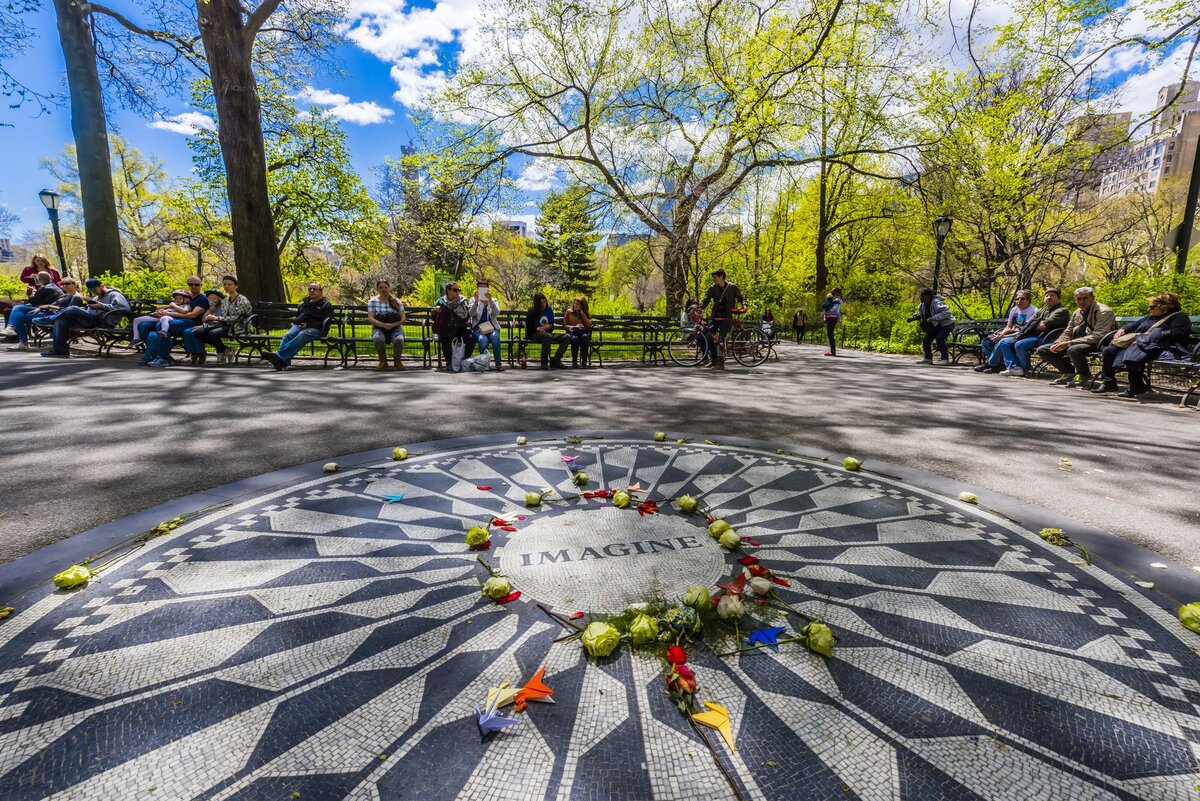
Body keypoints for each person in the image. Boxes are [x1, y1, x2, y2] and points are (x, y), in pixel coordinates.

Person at [1093, 292, 1191, 398]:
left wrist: (1145, 340)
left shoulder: (1179, 318)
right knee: (1109, 350)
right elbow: (1134, 325)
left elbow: (1176, 335)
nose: (1149, 309)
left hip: (1165, 348)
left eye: (1152, 307)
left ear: (1164, 307)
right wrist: (1123, 329)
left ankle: (1136, 386)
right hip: (1144, 345)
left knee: (1132, 353)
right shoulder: (1151, 317)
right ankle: (1109, 383)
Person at [1035, 286, 1116, 388]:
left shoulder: (1104, 311)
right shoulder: (1077, 312)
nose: (1082, 301)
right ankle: (1069, 373)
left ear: (1093, 298)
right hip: (1079, 341)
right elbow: (1068, 331)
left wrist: (1069, 343)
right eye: (1079, 299)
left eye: (1085, 298)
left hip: (1100, 343)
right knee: (1043, 350)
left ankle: (1084, 375)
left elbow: (1098, 336)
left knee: (1073, 349)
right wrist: (1058, 342)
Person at [41, 278, 130, 358]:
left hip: (104, 321)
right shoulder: (96, 297)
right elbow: (90, 313)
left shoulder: (114, 294)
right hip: (92, 320)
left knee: (73, 308)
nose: (94, 293)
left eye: (95, 290)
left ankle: (50, 319)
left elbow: (124, 308)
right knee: (61, 320)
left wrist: (101, 306)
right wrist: (90, 307)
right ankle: (60, 350)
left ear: (101, 286)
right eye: (92, 291)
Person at [995, 288, 1070, 376]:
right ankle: (1014, 367)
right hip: (1035, 335)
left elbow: (1042, 326)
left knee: (1020, 344)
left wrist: (1034, 325)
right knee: (1005, 342)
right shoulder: (1043, 310)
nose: (1049, 297)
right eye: (1047, 296)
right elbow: (1028, 323)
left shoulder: (1061, 310)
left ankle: (1024, 369)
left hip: (1049, 338)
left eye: (1052, 295)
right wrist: (1034, 325)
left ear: (1058, 298)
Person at [141, 276, 209, 367]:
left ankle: (162, 358)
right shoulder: (184, 296)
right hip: (174, 319)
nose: (193, 286)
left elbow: (192, 315)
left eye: (196, 284)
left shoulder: (202, 299)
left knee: (160, 324)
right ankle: (152, 354)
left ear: (201, 285)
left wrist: (168, 314)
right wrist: (162, 311)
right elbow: (171, 306)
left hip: (190, 322)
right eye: (190, 284)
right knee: (144, 326)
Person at [183, 276, 252, 366]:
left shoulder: (242, 300)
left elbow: (235, 318)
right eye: (225, 284)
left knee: (212, 333)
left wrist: (217, 318)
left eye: (230, 284)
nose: (227, 286)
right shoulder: (225, 301)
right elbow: (223, 316)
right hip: (224, 324)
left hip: (239, 326)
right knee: (197, 333)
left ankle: (221, 351)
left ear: (236, 286)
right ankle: (225, 349)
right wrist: (212, 316)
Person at [264, 282, 333, 371]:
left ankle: (279, 357)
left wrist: (308, 325)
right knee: (288, 335)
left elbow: (326, 323)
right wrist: (299, 321)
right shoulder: (304, 304)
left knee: (302, 334)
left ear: (320, 292)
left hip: (317, 329)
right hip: (301, 326)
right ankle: (282, 362)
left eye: (314, 289)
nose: (311, 291)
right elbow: (298, 317)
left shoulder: (326, 305)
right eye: (310, 289)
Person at [5, 277, 81, 350]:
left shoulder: (76, 297)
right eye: (62, 284)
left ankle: (16, 334)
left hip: (53, 316)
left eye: (67, 284)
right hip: (45, 311)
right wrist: (41, 307)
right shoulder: (66, 295)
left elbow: (69, 310)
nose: (64, 286)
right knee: (18, 308)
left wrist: (48, 306)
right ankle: (14, 333)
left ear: (74, 284)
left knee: (18, 314)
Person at [975, 290, 1037, 373]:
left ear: (1028, 300)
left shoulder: (1033, 311)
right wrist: (1001, 334)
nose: (1019, 301)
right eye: (1017, 299)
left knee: (1002, 341)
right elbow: (1008, 327)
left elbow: (1024, 331)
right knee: (987, 341)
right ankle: (998, 365)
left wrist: (1004, 337)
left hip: (1023, 336)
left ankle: (991, 364)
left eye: (1022, 299)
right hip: (1011, 334)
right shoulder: (1014, 310)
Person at [699, 269, 746, 369]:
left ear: (721, 277)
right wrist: (699, 307)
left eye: (715, 277)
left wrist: (744, 305)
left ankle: (721, 362)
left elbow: (741, 298)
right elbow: (706, 301)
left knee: (721, 338)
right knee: (709, 335)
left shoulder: (732, 287)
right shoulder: (712, 288)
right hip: (715, 316)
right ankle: (714, 360)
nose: (714, 279)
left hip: (727, 316)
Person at [367, 279, 406, 371]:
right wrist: (383, 325)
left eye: (385, 287)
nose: (383, 289)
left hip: (395, 327)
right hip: (379, 327)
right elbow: (371, 318)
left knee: (399, 339)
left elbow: (403, 318)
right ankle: (383, 360)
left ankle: (397, 360)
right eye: (381, 287)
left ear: (389, 289)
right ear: (377, 289)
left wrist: (393, 325)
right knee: (378, 338)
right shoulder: (373, 301)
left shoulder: (397, 302)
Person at [909, 288, 955, 365]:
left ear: (929, 296)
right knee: (926, 340)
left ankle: (945, 359)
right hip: (935, 326)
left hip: (946, 324)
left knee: (939, 339)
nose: (921, 298)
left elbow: (947, 313)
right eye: (921, 296)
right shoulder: (922, 306)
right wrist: (916, 317)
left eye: (923, 296)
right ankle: (928, 358)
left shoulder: (937, 303)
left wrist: (934, 318)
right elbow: (922, 314)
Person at [434, 281, 472, 371]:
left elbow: (468, 315)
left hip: (461, 327)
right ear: (448, 290)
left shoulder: (463, 300)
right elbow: (434, 318)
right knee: (446, 337)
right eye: (455, 290)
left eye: (458, 290)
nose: (457, 292)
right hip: (446, 328)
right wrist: (436, 311)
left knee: (471, 338)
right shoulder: (441, 301)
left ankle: (463, 360)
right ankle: (449, 362)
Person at [525, 292, 569, 369]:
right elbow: (529, 327)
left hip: (548, 333)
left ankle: (556, 359)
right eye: (541, 303)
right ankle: (544, 361)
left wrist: (549, 326)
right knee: (547, 336)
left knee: (567, 337)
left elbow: (552, 326)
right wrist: (538, 329)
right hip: (535, 334)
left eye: (544, 302)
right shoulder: (531, 312)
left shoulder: (549, 310)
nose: (543, 304)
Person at [468, 280, 503, 371]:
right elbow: (471, 314)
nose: (483, 289)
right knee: (483, 340)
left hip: (492, 329)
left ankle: (498, 364)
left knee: (495, 337)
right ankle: (484, 364)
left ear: (488, 288)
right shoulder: (473, 300)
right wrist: (476, 302)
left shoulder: (493, 300)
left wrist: (490, 301)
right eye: (481, 288)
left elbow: (496, 313)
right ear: (477, 289)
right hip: (478, 329)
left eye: (485, 287)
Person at [564, 296, 594, 367]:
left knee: (585, 337)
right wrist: (574, 327)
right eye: (575, 303)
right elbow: (564, 325)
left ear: (582, 306)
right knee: (575, 339)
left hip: (583, 333)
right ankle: (574, 362)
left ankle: (584, 362)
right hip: (573, 332)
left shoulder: (585, 313)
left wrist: (582, 314)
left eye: (577, 304)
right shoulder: (569, 312)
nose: (575, 305)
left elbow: (589, 325)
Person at [821, 288, 843, 357]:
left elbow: (835, 309)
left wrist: (828, 311)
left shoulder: (836, 300)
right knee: (830, 334)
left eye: (832, 292)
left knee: (830, 334)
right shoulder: (837, 300)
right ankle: (832, 351)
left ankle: (832, 352)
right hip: (832, 317)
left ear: (835, 293)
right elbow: (837, 310)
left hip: (831, 317)